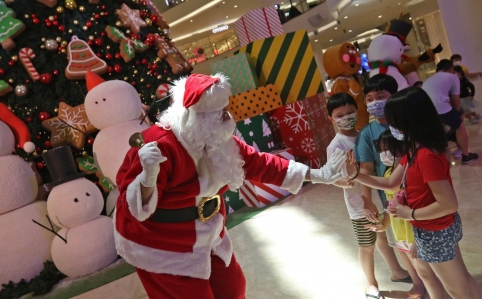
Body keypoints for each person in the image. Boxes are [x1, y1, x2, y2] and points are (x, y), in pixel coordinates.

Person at [114, 73, 346, 299]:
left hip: (208, 230)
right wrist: (148, 176)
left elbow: (261, 163)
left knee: (233, 289)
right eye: (220, 113)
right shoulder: (160, 144)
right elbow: (134, 208)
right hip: (161, 243)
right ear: (196, 117)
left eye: (226, 109)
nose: (228, 117)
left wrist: (318, 174)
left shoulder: (218, 137)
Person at [346, 86, 481, 299]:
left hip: (436, 229)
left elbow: (448, 203)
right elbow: (391, 182)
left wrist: (410, 214)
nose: (390, 126)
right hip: (433, 228)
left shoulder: (426, 155)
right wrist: (355, 175)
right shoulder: (414, 149)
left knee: (457, 289)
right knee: (461, 281)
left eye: (393, 120)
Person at [326, 92, 392, 299]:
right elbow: (331, 177)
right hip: (358, 203)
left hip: (378, 196)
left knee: (382, 235)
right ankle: (371, 283)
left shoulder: (365, 134)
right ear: (332, 119)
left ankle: (396, 270)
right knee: (367, 244)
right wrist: (347, 180)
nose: (346, 117)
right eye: (340, 114)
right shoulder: (336, 145)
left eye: (350, 112)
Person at [355, 74, 411, 285]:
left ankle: (429, 276)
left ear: (393, 96)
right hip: (390, 194)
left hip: (416, 189)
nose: (374, 103)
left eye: (380, 96)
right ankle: (418, 279)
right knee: (401, 240)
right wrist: (366, 200)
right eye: (369, 99)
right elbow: (367, 168)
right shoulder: (367, 134)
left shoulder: (406, 124)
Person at [376, 129, 442, 299]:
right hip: (399, 231)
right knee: (408, 260)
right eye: (382, 150)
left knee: (425, 270)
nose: (385, 154)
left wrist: (415, 241)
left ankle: (435, 292)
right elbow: (389, 200)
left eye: (389, 149)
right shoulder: (388, 173)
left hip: (413, 231)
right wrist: (384, 222)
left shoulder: (409, 172)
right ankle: (417, 285)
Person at [422, 59, 478, 164]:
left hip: (427, 110)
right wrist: (457, 114)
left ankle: (458, 149)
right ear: (451, 69)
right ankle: (466, 155)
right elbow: (456, 101)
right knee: (460, 124)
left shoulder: (428, 79)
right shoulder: (452, 77)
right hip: (440, 107)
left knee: (454, 123)